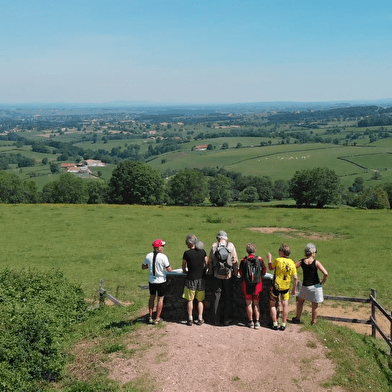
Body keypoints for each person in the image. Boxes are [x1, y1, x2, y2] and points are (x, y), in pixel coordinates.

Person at [291, 243, 328, 325]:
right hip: (316, 286)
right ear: (313, 253)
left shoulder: (302, 261)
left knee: (300, 301)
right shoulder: (316, 262)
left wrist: (295, 275)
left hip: (305, 286)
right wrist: (323, 281)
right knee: (315, 305)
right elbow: (325, 273)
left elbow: (292, 267)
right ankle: (313, 321)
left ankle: (297, 318)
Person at [207, 230, 238, 326]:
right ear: (226, 238)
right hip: (228, 275)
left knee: (216, 296)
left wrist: (211, 272)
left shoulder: (214, 246)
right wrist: (235, 273)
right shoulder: (231, 246)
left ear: (218, 238)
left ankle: (215, 319)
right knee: (228, 297)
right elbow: (235, 261)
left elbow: (210, 261)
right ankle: (227, 319)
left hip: (217, 275)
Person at [268, 243, 298, 331]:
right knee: (285, 306)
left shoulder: (278, 260)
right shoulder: (292, 262)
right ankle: (284, 324)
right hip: (286, 287)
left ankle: (275, 323)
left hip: (276, 286)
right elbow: (295, 278)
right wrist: (294, 288)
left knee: (273, 304)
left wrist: (269, 259)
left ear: (282, 252)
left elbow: (270, 267)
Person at [142, 239, 172, 324]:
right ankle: (157, 317)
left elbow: (143, 266)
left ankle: (150, 316)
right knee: (160, 299)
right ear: (158, 247)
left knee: (152, 297)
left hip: (151, 280)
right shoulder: (163, 257)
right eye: (162, 246)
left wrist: (151, 266)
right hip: (161, 280)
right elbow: (169, 269)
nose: (163, 247)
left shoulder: (148, 256)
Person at [239, 243, 267, 329]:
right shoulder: (259, 260)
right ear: (255, 250)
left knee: (248, 303)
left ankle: (250, 321)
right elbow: (264, 271)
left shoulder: (244, 260)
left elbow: (241, 272)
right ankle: (257, 321)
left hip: (246, 284)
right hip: (257, 285)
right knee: (256, 303)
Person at [182, 234, 208, 326]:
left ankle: (190, 318)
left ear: (189, 243)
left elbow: (183, 267)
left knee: (190, 300)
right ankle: (200, 318)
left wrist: (185, 271)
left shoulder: (187, 253)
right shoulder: (202, 252)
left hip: (191, 278)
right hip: (201, 278)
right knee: (200, 300)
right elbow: (207, 263)